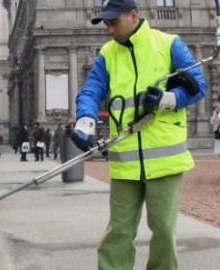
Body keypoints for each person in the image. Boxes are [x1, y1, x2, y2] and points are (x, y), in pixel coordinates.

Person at [70, 1, 207, 269]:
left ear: (134, 16)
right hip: (125, 161)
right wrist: (85, 118)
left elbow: (198, 86)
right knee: (118, 232)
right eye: (106, 24)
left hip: (165, 160)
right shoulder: (108, 54)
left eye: (113, 22)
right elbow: (91, 89)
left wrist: (168, 99)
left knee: (164, 232)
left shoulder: (169, 44)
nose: (108, 29)